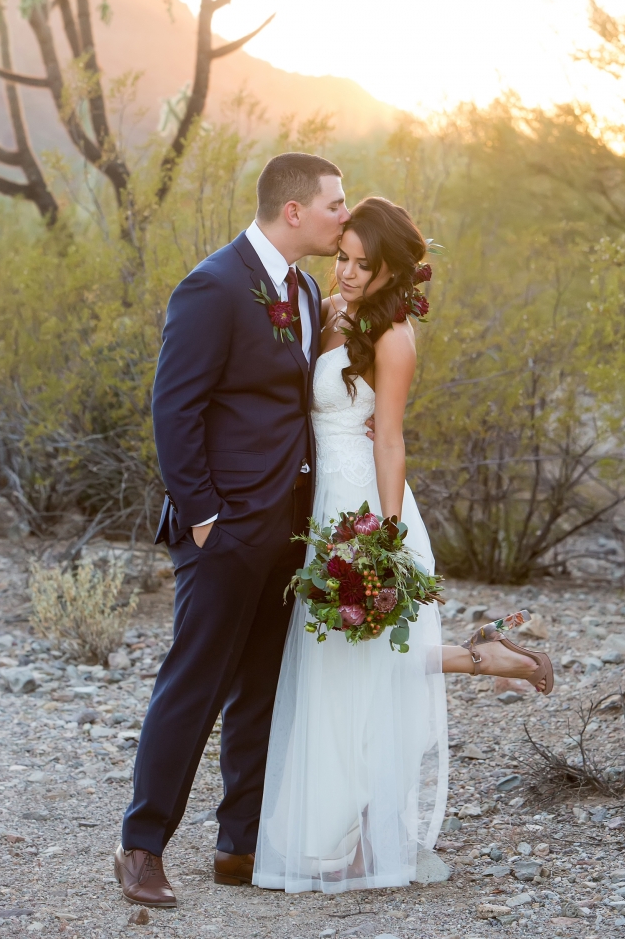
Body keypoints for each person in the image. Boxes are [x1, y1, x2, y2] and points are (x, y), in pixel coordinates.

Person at [253, 196, 552, 894]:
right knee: (336, 661)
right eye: (343, 260)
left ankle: (362, 832)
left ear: (392, 272)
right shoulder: (328, 315)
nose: (349, 274)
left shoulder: (393, 338)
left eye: (364, 265)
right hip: (317, 503)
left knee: (357, 658)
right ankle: (485, 658)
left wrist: (383, 541)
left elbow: (389, 438)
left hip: (362, 505)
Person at [115, 153, 350, 907]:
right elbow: (172, 408)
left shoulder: (306, 289)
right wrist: (204, 515)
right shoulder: (212, 286)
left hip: (291, 526)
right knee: (194, 684)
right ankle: (142, 848)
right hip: (224, 527)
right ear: (293, 211)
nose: (342, 217)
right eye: (334, 206)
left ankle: (238, 846)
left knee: (262, 688)